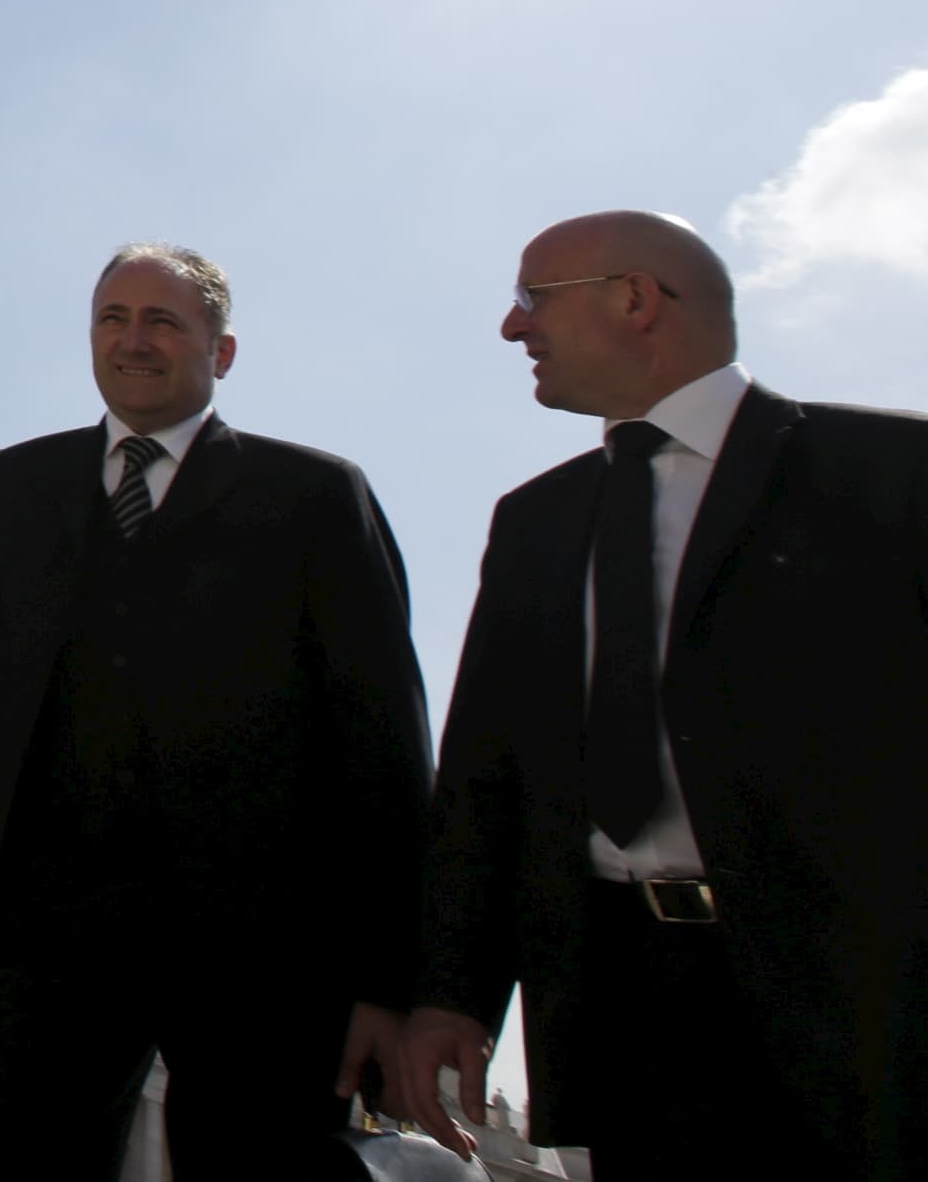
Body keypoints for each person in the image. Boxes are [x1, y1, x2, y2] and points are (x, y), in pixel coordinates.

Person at [394, 211, 928, 1178]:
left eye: (531, 299)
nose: (512, 330)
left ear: (636, 298)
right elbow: (487, 780)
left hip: (871, 1007)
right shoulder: (533, 524)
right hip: (630, 1011)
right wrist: (452, 994)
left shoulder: (894, 476)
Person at [0, 244, 428, 1180]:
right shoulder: (20, 482)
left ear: (221, 353)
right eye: (112, 317)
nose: (132, 340)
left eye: (162, 321)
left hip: (263, 951)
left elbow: (383, 743)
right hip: (52, 921)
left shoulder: (314, 497)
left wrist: (391, 978)